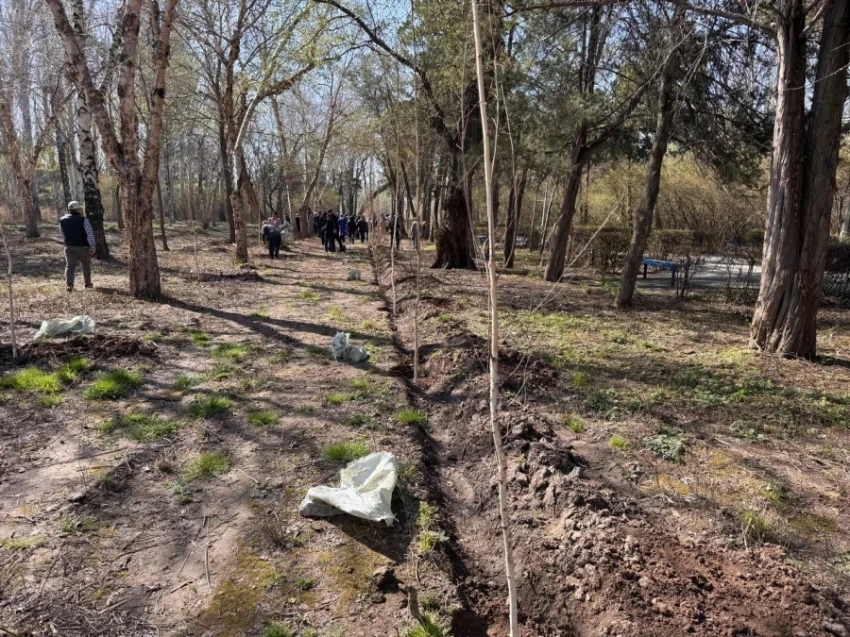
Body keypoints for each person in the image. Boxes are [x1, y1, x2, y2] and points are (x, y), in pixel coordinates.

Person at [59, 201, 96, 292]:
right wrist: (93, 246)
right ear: (78, 209)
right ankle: (88, 284)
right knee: (85, 265)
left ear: (69, 209)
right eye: (80, 208)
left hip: (69, 246)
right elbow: (90, 234)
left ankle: (69, 284)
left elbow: (61, 233)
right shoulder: (84, 220)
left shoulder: (62, 220)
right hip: (83, 247)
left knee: (69, 266)